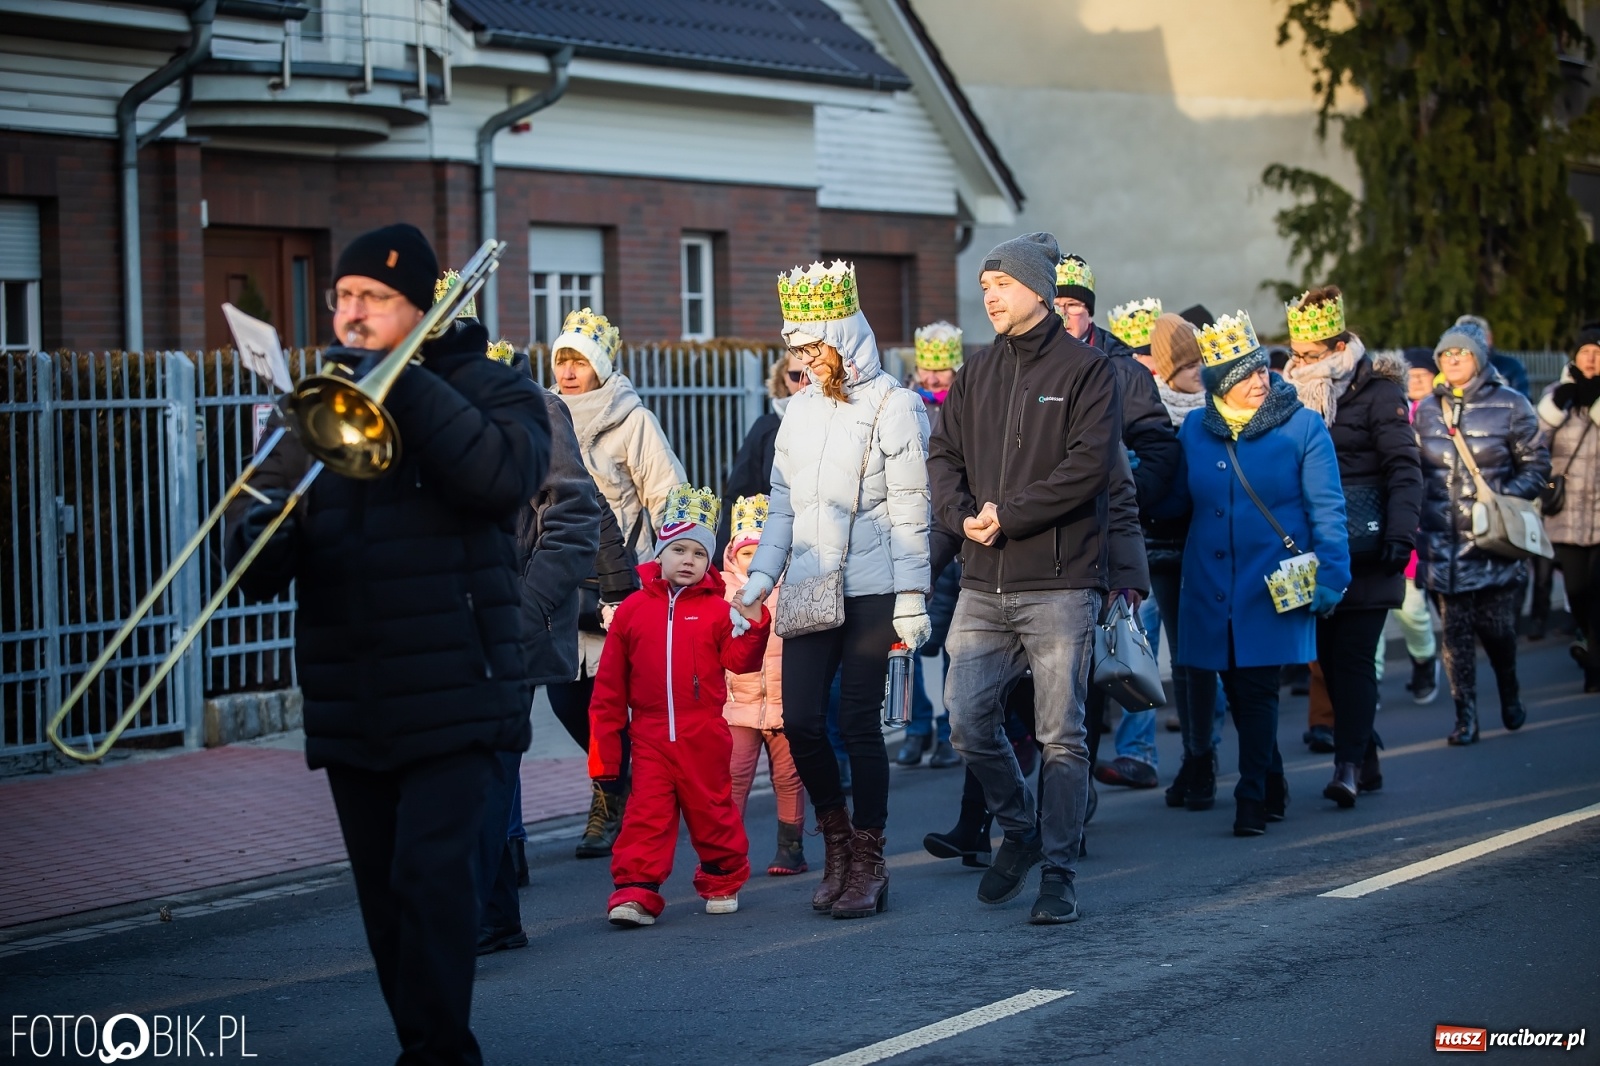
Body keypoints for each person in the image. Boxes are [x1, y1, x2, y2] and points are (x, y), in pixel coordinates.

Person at [228, 223, 552, 1065]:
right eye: (343, 297)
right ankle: (429, 1045)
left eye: (373, 298)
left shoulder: (495, 388)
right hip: (354, 697)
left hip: (458, 693)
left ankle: (438, 1055)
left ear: (422, 307)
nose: (352, 313)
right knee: (383, 905)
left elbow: (502, 480)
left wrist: (399, 385)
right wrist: (261, 529)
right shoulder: (317, 405)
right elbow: (252, 561)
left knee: (429, 886)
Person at [928, 231, 1121, 925]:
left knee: (1061, 735)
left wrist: (1006, 514)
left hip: (1060, 581)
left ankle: (1059, 874)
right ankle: (1021, 825)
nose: (988, 297)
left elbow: (1088, 467)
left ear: (1036, 289)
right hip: (983, 578)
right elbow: (943, 454)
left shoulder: (1087, 371)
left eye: (999, 285)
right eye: (984, 288)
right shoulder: (976, 372)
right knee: (967, 721)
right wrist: (959, 516)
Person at [741, 260, 932, 920]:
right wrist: (762, 578)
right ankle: (838, 846)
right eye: (796, 350)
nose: (804, 361)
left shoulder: (895, 404)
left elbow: (912, 503)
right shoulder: (795, 412)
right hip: (809, 585)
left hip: (877, 588)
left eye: (812, 348)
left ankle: (870, 861)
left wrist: (913, 596)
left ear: (843, 340)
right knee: (798, 721)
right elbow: (782, 506)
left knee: (857, 723)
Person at [1174, 310, 1350, 837]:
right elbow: (1178, 500)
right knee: (1233, 683)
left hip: (1273, 582)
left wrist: (1333, 575)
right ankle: (1270, 777)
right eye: (1243, 374)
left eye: (1260, 370)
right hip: (1208, 583)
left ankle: (1251, 796)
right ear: (1219, 383)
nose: (1260, 379)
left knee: (1257, 689)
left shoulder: (1302, 425)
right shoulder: (1193, 430)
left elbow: (1328, 508)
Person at [591, 486, 771, 926]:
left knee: (713, 810)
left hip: (703, 733)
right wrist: (605, 756)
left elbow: (739, 662)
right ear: (661, 552)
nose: (687, 560)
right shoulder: (632, 610)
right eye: (678, 550)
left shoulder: (715, 609)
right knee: (645, 816)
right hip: (649, 736)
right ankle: (635, 890)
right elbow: (610, 687)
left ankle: (723, 875)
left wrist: (752, 627)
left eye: (697, 552)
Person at [477, 342, 604, 955]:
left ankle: (489, 913)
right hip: (441, 620)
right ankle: (493, 909)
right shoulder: (409, 403)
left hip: (507, 619)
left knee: (490, 761)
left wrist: (523, 611)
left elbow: (574, 516)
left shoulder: (536, 407)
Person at [549, 307, 687, 858]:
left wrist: (666, 571)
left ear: (601, 367)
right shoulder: (543, 416)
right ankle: (620, 781)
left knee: (610, 704)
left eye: (579, 360)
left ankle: (608, 798)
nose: (568, 370)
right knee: (566, 701)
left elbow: (669, 496)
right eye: (561, 359)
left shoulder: (633, 421)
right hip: (559, 587)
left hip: (619, 587)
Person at [1282, 288, 1422, 807]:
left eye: (1311, 354)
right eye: (1296, 353)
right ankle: (1366, 756)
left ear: (1340, 344)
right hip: (1316, 548)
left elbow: (1404, 469)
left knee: (1355, 657)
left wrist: (1400, 535)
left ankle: (1347, 767)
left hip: (1369, 547)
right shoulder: (1288, 394)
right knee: (1327, 662)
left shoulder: (1378, 392)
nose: (1300, 363)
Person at [1414, 325, 1550, 744]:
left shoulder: (1512, 404)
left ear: (1478, 358)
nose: (1453, 359)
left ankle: (1509, 690)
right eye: (1446, 353)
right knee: (1454, 636)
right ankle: (1465, 717)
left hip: (1493, 540)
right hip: (1442, 542)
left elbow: (1537, 465)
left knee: (1496, 631)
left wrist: (1503, 500)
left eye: (1462, 352)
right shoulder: (1426, 410)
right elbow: (1413, 469)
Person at [1080, 295, 1181, 791]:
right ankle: (1076, 779)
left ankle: (1140, 750)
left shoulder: (1124, 375)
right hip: (1083, 542)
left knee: (1133, 642)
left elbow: (1160, 452)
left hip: (1142, 534)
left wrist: (1131, 496)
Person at [1144, 312, 1227, 810]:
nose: (1199, 371)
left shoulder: (1219, 408)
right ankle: (1196, 757)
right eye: (1189, 364)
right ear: (1167, 368)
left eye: (1202, 362)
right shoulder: (1148, 408)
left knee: (1205, 656)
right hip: (1164, 549)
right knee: (1184, 656)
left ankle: (1204, 756)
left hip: (1210, 545)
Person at [720, 494, 809, 875]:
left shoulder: (790, 587)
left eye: (762, 552)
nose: (754, 562)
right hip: (737, 705)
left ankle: (791, 847)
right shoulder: (721, 592)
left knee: (788, 776)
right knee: (733, 777)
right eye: (746, 554)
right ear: (732, 555)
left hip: (784, 703)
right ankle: (727, 849)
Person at [897, 320, 965, 769]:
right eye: (927, 368)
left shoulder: (967, 404)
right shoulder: (903, 406)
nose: (934, 377)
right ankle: (917, 725)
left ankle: (946, 728)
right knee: (910, 637)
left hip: (956, 536)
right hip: (914, 534)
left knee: (947, 642)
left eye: (942, 369)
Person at [1534, 325, 1600, 692]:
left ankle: (1594, 667)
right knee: (1577, 590)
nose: (1590, 359)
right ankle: (1589, 644)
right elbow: (1533, 442)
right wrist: (1557, 407)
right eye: (1584, 351)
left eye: (1597, 352)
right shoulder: (1555, 395)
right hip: (1566, 515)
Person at [718, 352, 806, 554]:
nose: (804, 382)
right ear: (783, 377)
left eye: (811, 374)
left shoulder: (843, 423)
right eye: (796, 375)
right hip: (773, 545)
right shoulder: (766, 428)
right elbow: (741, 495)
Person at [1393, 348, 1443, 703]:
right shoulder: (1389, 409)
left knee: (1412, 608)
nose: (1415, 379)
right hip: (1389, 517)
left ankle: (1425, 659)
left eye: (1422, 373)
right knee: (1374, 618)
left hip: (1430, 518)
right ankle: (1367, 684)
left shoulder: (1443, 412)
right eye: (1409, 373)